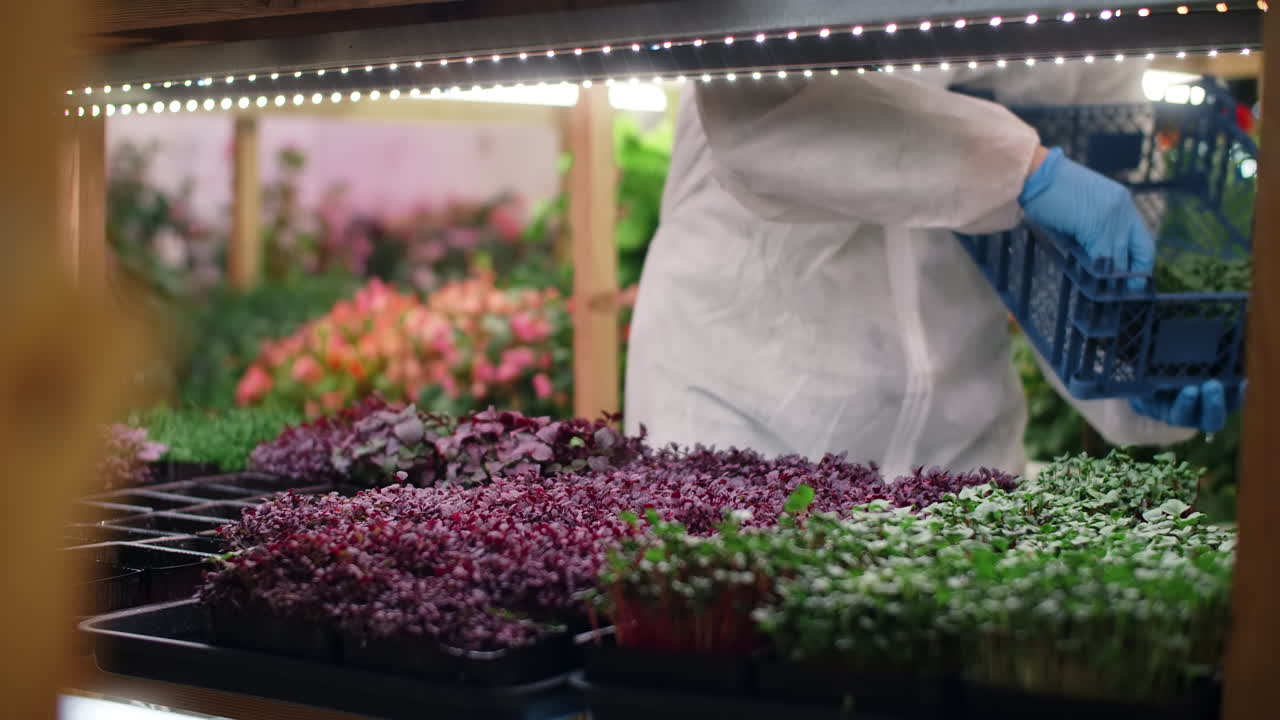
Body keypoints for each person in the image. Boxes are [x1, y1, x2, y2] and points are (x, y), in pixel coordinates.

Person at [623, 61, 1233, 479]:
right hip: (748, 401)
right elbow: (762, 114)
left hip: (961, 437)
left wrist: (1131, 371)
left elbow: (1100, 214)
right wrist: (1020, 170)